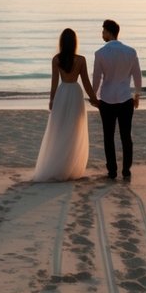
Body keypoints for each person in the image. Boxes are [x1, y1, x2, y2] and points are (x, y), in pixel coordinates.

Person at [32, 28, 98, 182]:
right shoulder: (81, 60)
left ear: (62, 42)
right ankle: (70, 167)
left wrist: (52, 100)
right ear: (75, 42)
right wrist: (94, 99)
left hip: (62, 94)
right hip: (75, 93)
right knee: (74, 130)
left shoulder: (56, 59)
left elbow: (54, 83)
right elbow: (86, 82)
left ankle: (59, 166)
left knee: (60, 129)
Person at [92, 19, 142, 181]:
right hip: (125, 98)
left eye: (103, 31)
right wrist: (137, 95)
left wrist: (93, 97)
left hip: (106, 100)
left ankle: (112, 171)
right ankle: (126, 170)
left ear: (108, 31)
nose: (102, 34)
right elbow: (137, 76)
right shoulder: (131, 52)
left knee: (108, 136)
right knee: (126, 136)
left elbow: (97, 79)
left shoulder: (100, 54)